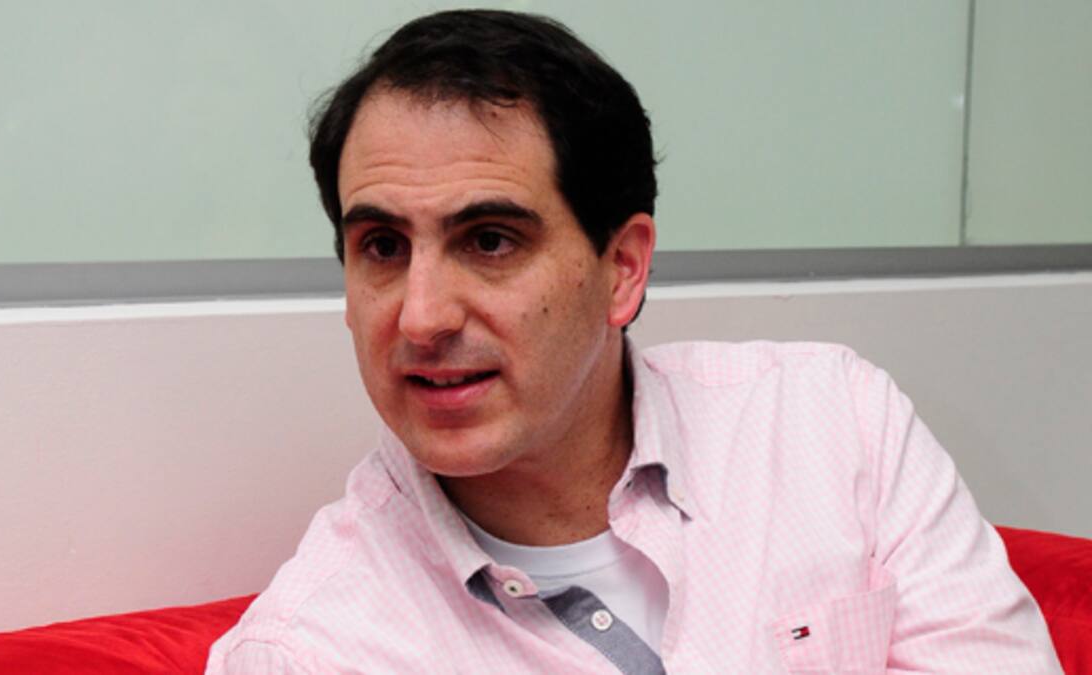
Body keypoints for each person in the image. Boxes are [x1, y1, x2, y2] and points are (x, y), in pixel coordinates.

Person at [208, 10, 1060, 673]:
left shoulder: (833, 427)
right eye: (383, 247)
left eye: (490, 240)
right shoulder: (309, 650)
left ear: (621, 268)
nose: (421, 317)